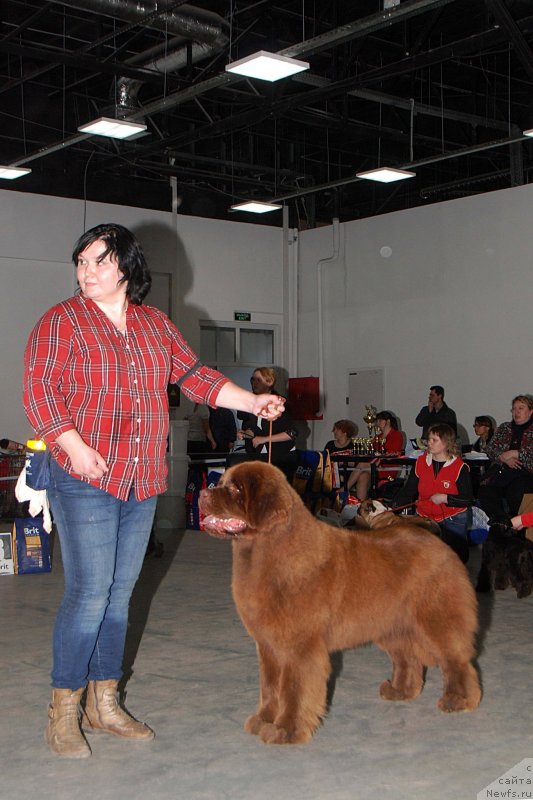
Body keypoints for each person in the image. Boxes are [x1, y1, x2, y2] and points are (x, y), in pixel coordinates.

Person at [23, 223, 285, 760]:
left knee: (119, 597)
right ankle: (64, 711)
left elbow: (196, 377)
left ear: (126, 268)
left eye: (99, 261)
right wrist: (71, 445)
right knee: (90, 593)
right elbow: (40, 392)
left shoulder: (153, 325)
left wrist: (252, 403)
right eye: (81, 262)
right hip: (86, 476)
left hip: (141, 477)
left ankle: (105, 701)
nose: (87, 272)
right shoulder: (62, 321)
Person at [391, 423, 473, 562]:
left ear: (447, 443)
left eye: (434, 440)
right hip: (425, 518)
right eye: (428, 439)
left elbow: (467, 499)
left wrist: (445, 498)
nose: (429, 442)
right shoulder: (420, 462)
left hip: (453, 519)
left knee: (456, 560)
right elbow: (409, 489)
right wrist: (393, 507)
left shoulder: (460, 467)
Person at [477, 395, 533, 522]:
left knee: (516, 492)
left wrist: (516, 453)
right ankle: (502, 523)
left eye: (521, 408)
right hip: (501, 471)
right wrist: (503, 457)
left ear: (530, 411)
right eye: (514, 409)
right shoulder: (504, 427)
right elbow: (490, 449)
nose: (516, 412)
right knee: (485, 491)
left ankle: (517, 525)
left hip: (526, 474)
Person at [236, 367, 297, 461]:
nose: (254, 383)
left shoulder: (280, 403)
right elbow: (256, 429)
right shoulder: (254, 404)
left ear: (269, 382)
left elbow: (292, 433)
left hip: (282, 455)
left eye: (258, 380)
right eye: (252, 379)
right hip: (261, 453)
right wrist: (245, 433)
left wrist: (265, 439)